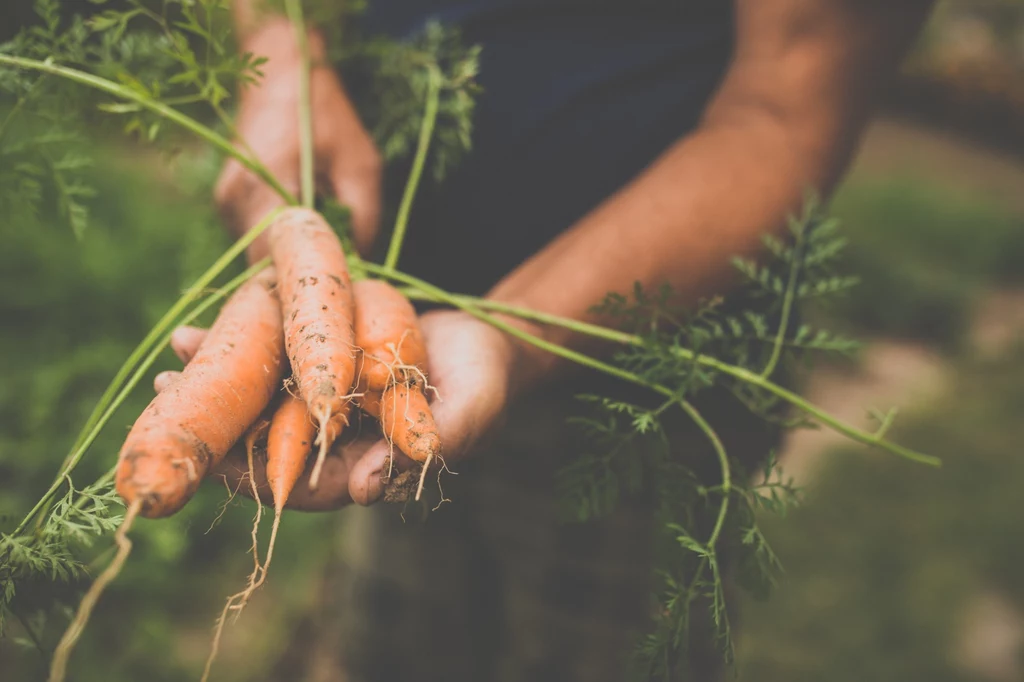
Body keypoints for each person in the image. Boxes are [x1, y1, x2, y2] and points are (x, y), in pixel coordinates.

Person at [167, 1, 935, 679]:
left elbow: (788, 111)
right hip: (397, 370)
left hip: (640, 391)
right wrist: (282, 51)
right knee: (389, 648)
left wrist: (511, 334)